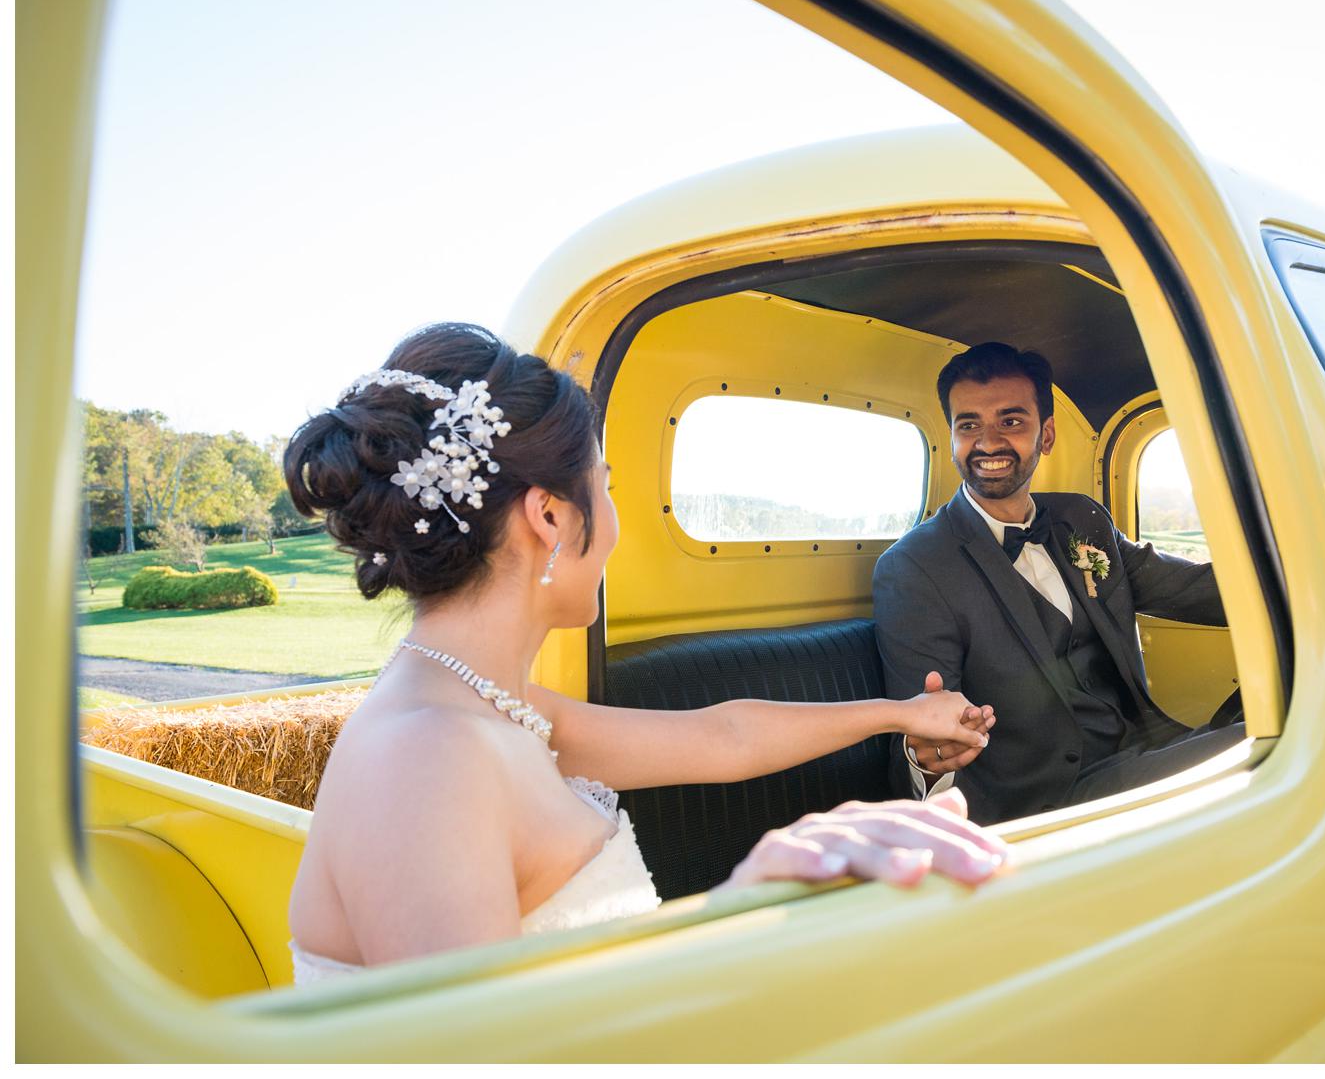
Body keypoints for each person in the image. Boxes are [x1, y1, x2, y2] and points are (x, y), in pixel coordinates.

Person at [281, 323, 1011, 985]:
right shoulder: (426, 757)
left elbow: (722, 737)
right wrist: (731, 915)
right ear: (550, 516)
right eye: (606, 486)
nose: (617, 520)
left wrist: (901, 712)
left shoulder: (492, 707)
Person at [872, 342, 1244, 824]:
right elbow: (921, 740)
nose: (988, 442)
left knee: (1288, 704)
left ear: (1045, 434)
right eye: (969, 425)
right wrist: (928, 760)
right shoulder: (914, 566)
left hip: (1145, 746)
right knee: (1268, 742)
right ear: (952, 439)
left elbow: (1190, 589)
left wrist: (1312, 587)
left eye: (1010, 421)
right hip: (1045, 799)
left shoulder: (1080, 519)